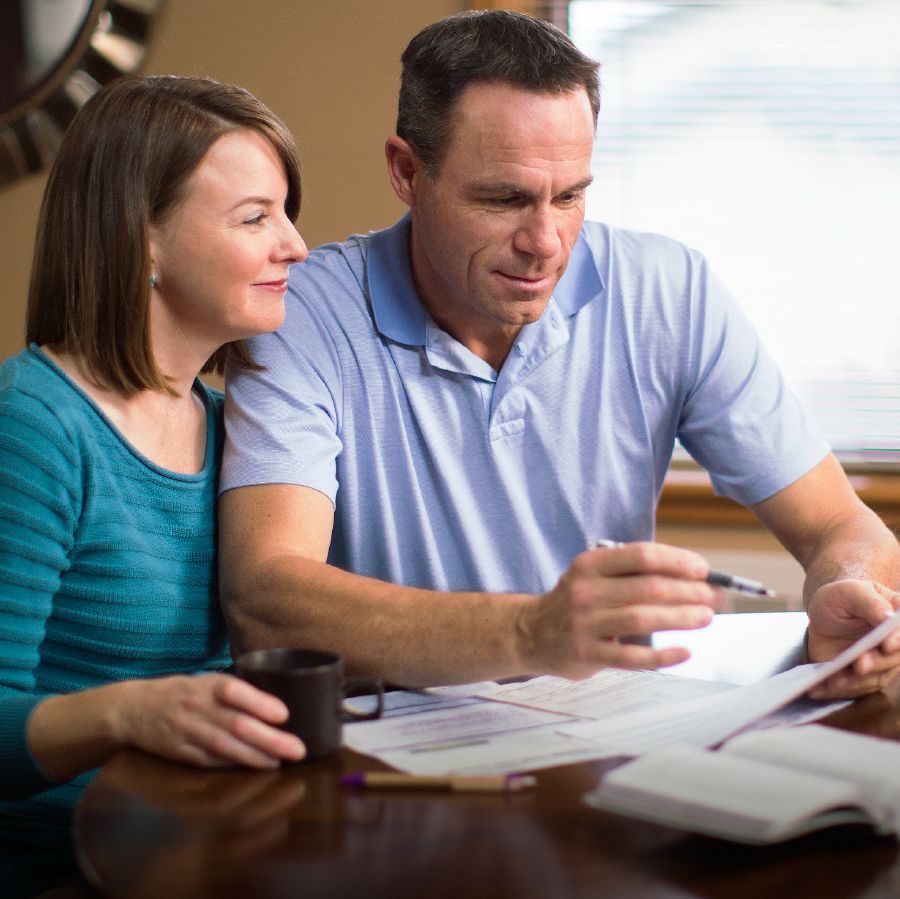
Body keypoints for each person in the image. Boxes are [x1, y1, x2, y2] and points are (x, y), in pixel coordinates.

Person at [220, 11, 900, 695]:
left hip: (606, 739)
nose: (546, 241)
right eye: (504, 198)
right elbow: (266, 598)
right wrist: (529, 633)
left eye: (570, 195)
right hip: (387, 760)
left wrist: (852, 595)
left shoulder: (670, 292)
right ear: (407, 171)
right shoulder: (301, 311)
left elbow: (840, 525)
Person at [0, 74, 310, 825]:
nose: (295, 246)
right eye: (254, 218)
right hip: (68, 862)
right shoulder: (36, 424)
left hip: (212, 841)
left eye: (286, 214)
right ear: (142, 234)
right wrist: (128, 712)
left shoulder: (240, 423)